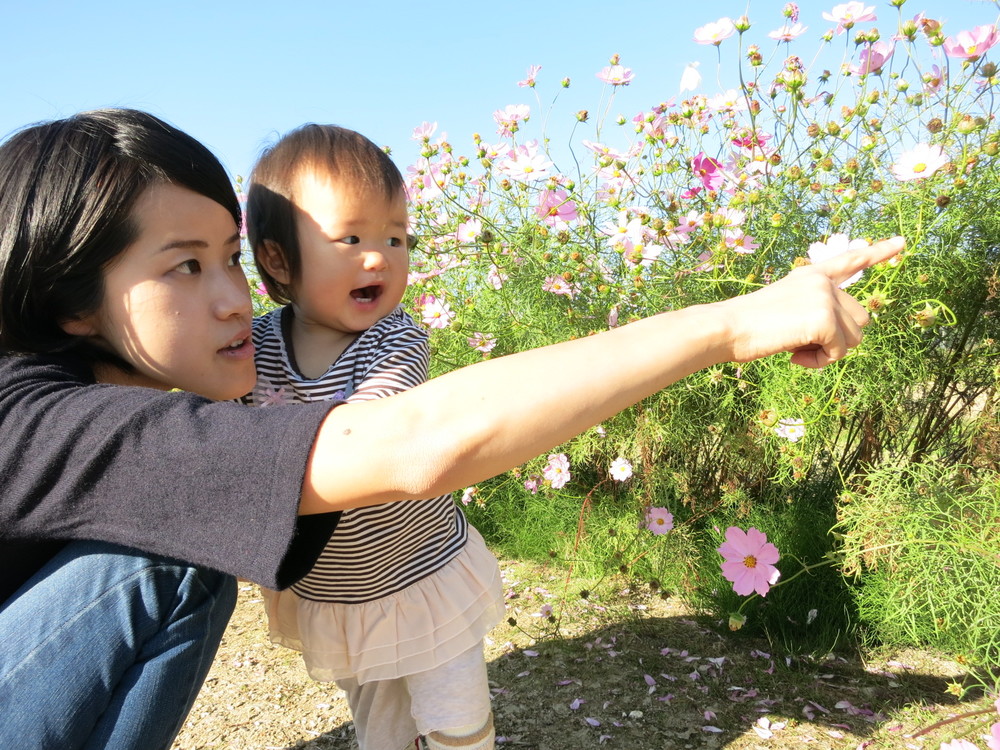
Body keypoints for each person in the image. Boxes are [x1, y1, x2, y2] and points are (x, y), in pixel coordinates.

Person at [0, 107, 903, 750]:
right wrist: (737, 322)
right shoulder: (36, 419)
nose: (233, 298)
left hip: (417, 581)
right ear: (69, 300)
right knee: (171, 558)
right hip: (343, 598)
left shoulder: (378, 345)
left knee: (451, 708)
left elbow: (403, 426)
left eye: (229, 258)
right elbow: (412, 444)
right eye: (186, 267)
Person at [241, 124, 505, 750]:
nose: (380, 256)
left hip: (421, 574)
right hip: (337, 593)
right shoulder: (252, 349)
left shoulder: (395, 340)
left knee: (455, 723)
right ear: (278, 259)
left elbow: (372, 435)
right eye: (351, 237)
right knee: (380, 732)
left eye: (396, 237)